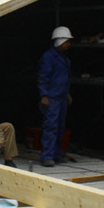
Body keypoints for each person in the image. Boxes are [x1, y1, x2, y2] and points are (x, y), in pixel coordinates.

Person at [38, 26, 73, 167]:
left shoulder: (64, 58)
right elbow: (43, 77)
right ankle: (47, 156)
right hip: (52, 98)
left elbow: (64, 78)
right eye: (67, 41)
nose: (69, 44)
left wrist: (67, 94)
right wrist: (44, 95)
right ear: (60, 41)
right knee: (51, 127)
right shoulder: (49, 58)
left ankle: (56, 154)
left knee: (60, 127)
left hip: (61, 97)